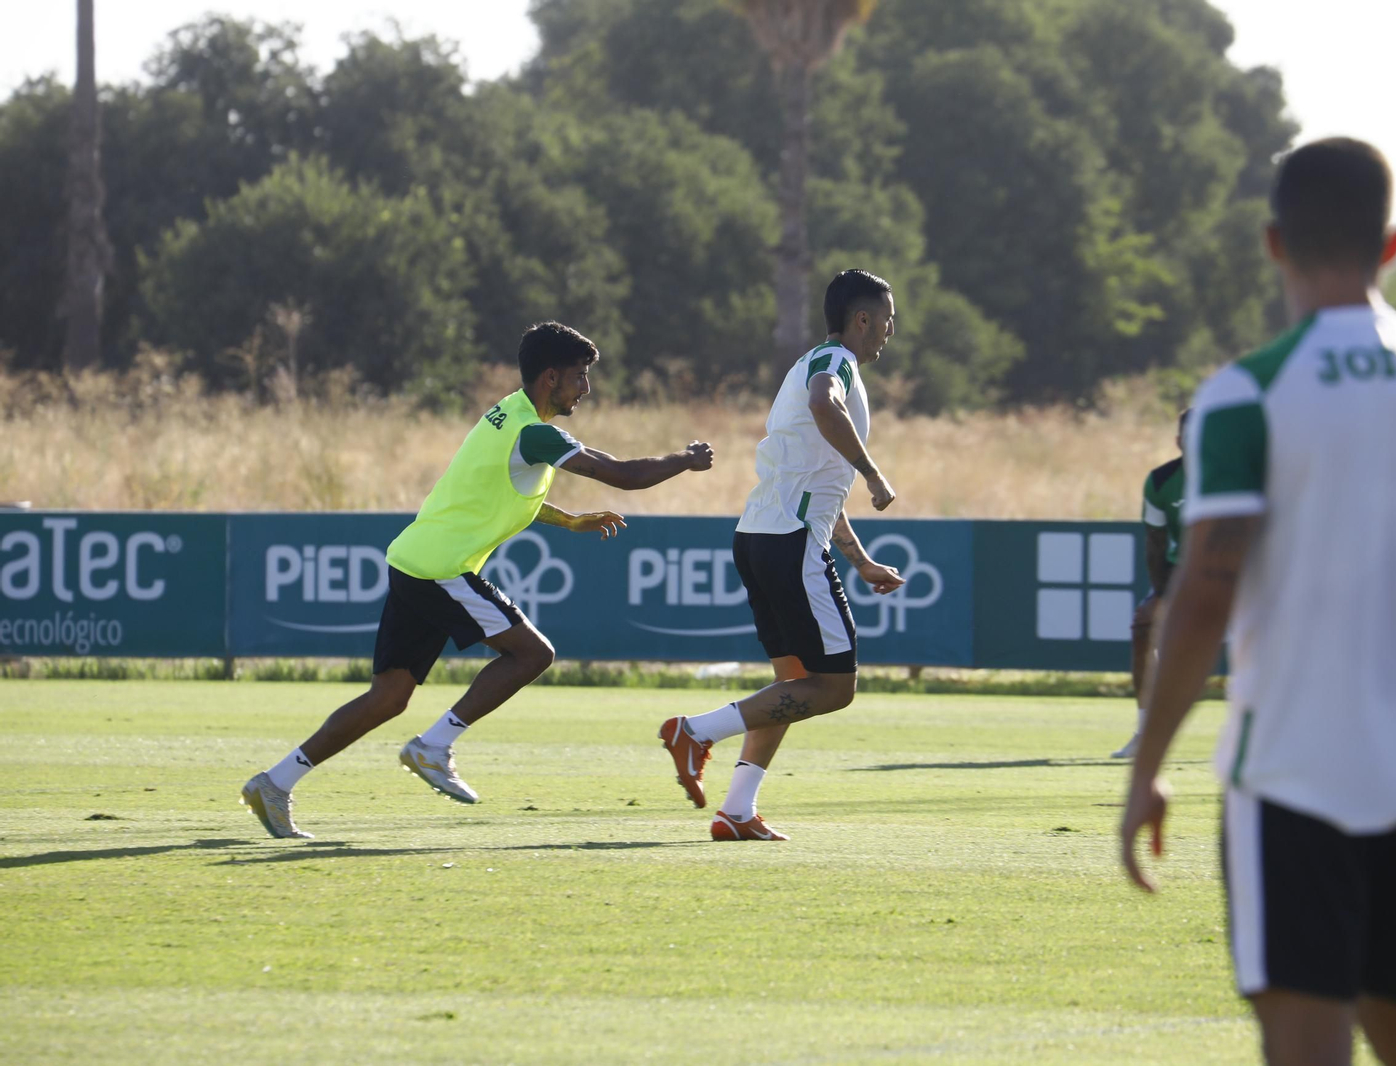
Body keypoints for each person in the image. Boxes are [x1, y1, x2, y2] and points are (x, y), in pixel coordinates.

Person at [1118, 138, 1396, 1066]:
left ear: (1274, 244)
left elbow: (1204, 592)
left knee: (1308, 1042)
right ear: (1393, 246)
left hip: (1291, 776)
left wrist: (1147, 761)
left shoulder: (1245, 395)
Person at [241, 322, 715, 839]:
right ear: (551, 377)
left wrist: (570, 521)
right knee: (533, 654)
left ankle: (275, 782)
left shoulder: (505, 413)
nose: (586, 388)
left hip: (412, 562)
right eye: (580, 377)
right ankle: (434, 746)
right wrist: (685, 460)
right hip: (442, 569)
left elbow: (505, 491)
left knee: (388, 697)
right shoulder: (535, 431)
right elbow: (623, 473)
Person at [656, 269, 906, 841]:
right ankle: (694, 731)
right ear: (862, 319)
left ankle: (737, 811)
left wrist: (860, 559)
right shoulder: (834, 366)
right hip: (789, 544)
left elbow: (819, 482)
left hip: (760, 537)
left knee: (789, 687)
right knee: (835, 687)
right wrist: (873, 472)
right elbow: (825, 406)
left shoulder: (808, 364)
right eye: (887, 321)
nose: (890, 333)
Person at [1114, 407, 1190, 759]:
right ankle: (1146, 732)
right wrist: (1160, 595)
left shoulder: (1239, 476)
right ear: (1179, 441)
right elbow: (1156, 543)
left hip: (1246, 573)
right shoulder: (1161, 481)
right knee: (1144, 625)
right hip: (1184, 573)